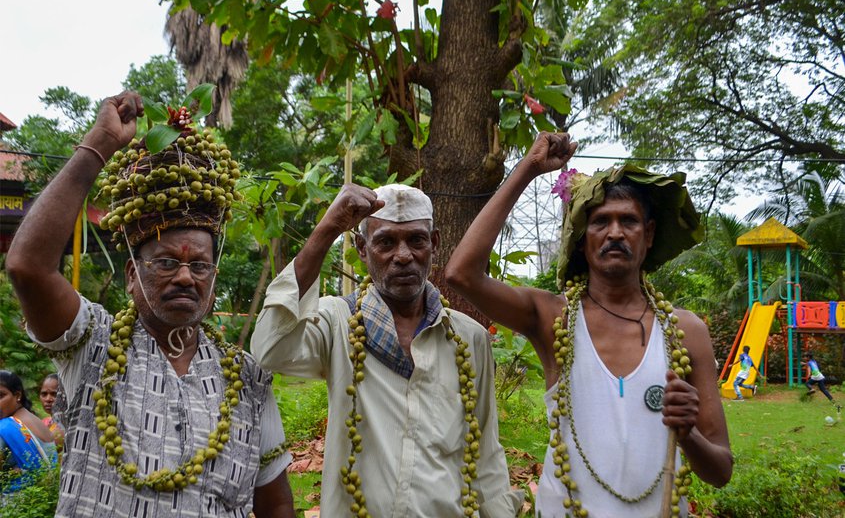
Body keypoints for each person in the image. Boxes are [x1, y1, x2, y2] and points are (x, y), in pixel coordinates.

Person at [6, 91, 294, 517]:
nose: (184, 276)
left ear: (213, 281)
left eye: (200, 265)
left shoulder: (247, 380)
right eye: (165, 262)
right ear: (131, 276)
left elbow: (276, 503)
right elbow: (28, 267)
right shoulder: (93, 345)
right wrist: (99, 146)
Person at [446, 132, 733, 517]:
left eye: (628, 221)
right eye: (600, 222)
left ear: (647, 235)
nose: (615, 232)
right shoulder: (553, 319)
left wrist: (689, 436)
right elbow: (461, 273)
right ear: (582, 240)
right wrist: (527, 169)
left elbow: (720, 470)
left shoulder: (685, 331)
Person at [251, 183, 523, 517]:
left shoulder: (469, 338)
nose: (404, 255)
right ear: (362, 248)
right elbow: (270, 349)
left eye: (416, 240)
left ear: (434, 244)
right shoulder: (338, 322)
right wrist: (328, 229)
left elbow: (485, 453)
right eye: (386, 242)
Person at [0, 370, 58, 493]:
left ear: (17, 396)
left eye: (1, 396)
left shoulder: (5, 428)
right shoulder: (37, 422)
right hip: (46, 504)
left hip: (14, 506)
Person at [38, 373, 64, 451]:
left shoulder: (65, 426)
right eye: (44, 394)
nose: (48, 399)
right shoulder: (44, 422)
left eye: (54, 394)